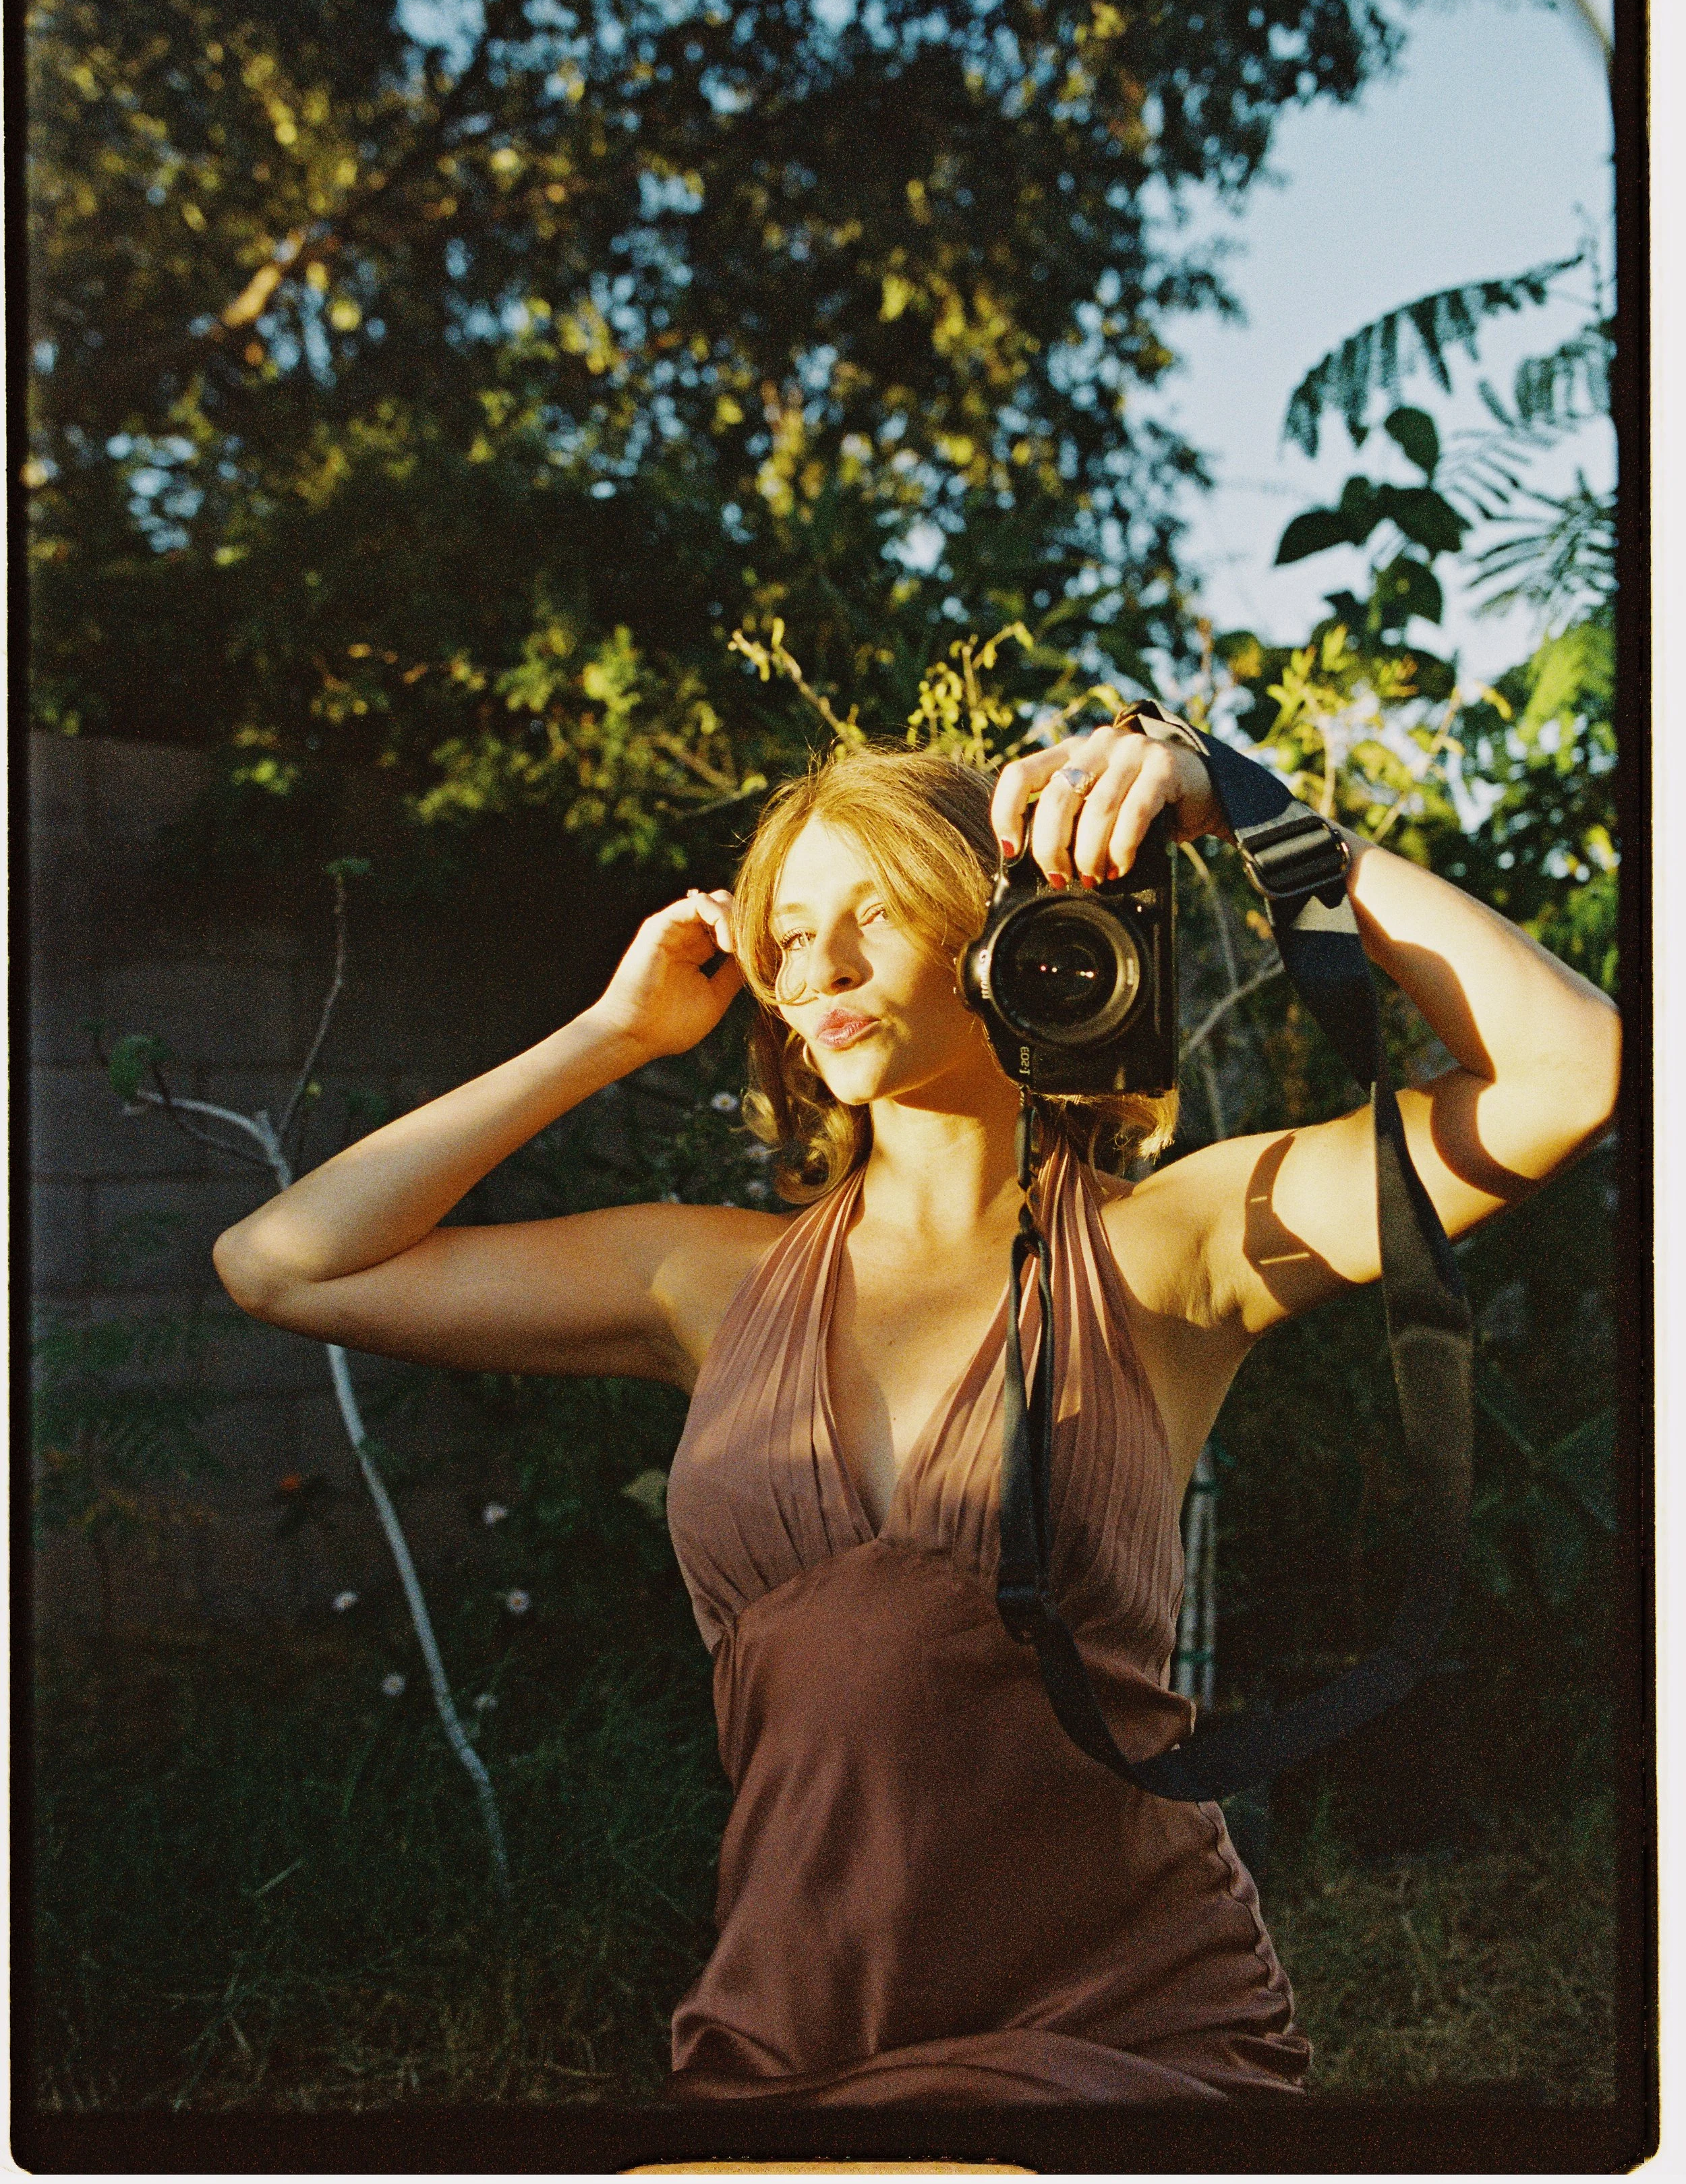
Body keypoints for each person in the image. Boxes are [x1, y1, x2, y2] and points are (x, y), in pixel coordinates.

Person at [213, 720, 1620, 2106]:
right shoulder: (700, 1278)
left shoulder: (1164, 1247)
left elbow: (1564, 1072)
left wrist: (1238, 809)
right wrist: (608, 1033)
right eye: (786, 932)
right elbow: (283, 1262)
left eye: (873, 913)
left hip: (1122, 2023)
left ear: (1003, 930)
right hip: (787, 2024)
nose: (815, 965)